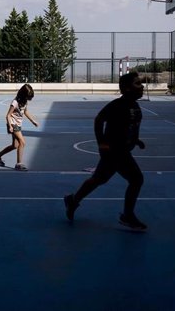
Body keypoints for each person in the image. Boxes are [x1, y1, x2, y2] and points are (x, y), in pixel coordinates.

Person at [63, 72, 148, 231]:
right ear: (127, 89)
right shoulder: (118, 105)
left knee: (98, 179)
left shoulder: (134, 106)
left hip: (121, 151)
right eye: (137, 83)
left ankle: (73, 200)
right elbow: (98, 120)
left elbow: (129, 126)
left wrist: (135, 140)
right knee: (136, 179)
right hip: (115, 152)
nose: (142, 86)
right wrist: (101, 142)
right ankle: (127, 215)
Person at [0, 83, 39, 171]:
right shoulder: (15, 102)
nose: (30, 99)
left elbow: (25, 112)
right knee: (22, 142)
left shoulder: (24, 101)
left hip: (18, 124)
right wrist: (10, 126)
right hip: (13, 124)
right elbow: (8, 115)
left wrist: (33, 121)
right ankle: (19, 164)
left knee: (15, 145)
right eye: (29, 97)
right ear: (24, 94)